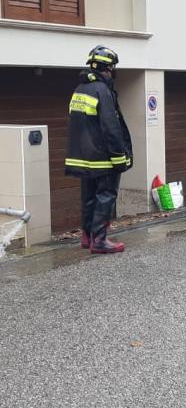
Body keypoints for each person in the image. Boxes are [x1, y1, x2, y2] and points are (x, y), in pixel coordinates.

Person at [65, 45, 132, 254]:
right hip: (102, 158)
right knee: (106, 195)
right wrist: (119, 156)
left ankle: (88, 236)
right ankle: (100, 240)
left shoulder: (79, 89)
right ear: (108, 68)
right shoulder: (102, 91)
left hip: (83, 157)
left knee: (89, 196)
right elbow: (111, 127)